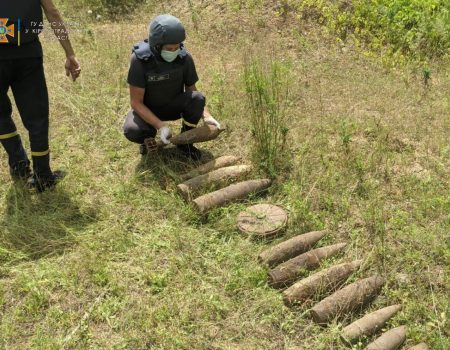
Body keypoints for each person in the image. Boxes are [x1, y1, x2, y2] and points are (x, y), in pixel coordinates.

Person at [0, 0, 81, 192]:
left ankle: (19, 165)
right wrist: (70, 53)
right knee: (36, 117)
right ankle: (43, 175)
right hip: (27, 54)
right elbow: (52, 13)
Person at [123, 14, 221, 161]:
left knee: (198, 99)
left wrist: (207, 116)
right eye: (169, 48)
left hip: (173, 105)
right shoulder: (140, 61)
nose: (174, 51)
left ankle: (185, 143)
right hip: (148, 109)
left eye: (177, 47)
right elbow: (136, 102)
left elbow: (192, 90)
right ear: (156, 45)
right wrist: (160, 126)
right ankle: (148, 140)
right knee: (133, 130)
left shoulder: (184, 58)